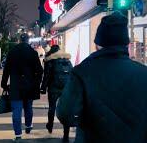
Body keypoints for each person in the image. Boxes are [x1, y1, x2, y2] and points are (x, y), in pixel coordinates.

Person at [57, 12, 147, 142]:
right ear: (126, 44)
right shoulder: (143, 73)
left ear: (97, 44)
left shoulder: (82, 72)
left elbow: (66, 115)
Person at [1, 33, 43, 141]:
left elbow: (6, 70)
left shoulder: (12, 52)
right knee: (28, 107)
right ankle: (28, 126)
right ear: (28, 40)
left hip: (16, 86)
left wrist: (4, 83)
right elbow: (40, 70)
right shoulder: (33, 53)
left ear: (19, 40)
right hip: (29, 85)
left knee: (17, 110)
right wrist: (37, 83)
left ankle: (18, 135)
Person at [40, 45, 72, 142]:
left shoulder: (50, 60)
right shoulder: (67, 60)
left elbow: (47, 76)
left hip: (54, 87)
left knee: (52, 107)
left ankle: (50, 125)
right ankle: (66, 134)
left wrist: (43, 88)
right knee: (66, 110)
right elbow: (71, 74)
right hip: (66, 88)